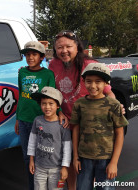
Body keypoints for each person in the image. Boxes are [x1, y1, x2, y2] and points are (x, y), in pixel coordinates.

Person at [48, 30, 117, 190]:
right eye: (59, 47)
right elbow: (51, 91)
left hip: (88, 126)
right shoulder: (53, 64)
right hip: (66, 124)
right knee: (69, 162)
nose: (63, 50)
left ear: (77, 47)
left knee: (88, 166)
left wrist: (115, 107)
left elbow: (108, 92)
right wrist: (58, 111)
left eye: (68, 46)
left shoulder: (89, 65)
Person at [15, 41, 68, 190]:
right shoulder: (22, 72)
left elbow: (53, 97)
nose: (30, 57)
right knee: (28, 157)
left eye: (34, 54)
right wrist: (17, 118)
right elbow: (21, 95)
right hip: (24, 120)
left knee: (45, 156)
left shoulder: (47, 74)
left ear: (42, 57)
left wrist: (59, 113)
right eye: (27, 54)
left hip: (41, 121)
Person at [70, 63, 128, 190]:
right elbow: (75, 129)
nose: (93, 86)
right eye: (89, 81)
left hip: (106, 159)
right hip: (84, 158)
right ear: (84, 81)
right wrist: (75, 157)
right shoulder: (79, 104)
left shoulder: (114, 104)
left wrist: (114, 162)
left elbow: (119, 133)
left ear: (106, 83)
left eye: (98, 82)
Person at [28, 86, 72, 190]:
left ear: (58, 106)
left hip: (56, 169)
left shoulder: (63, 125)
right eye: (44, 103)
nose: (47, 107)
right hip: (39, 167)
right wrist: (31, 160)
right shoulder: (37, 121)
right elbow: (32, 141)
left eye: (51, 103)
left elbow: (67, 148)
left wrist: (65, 167)